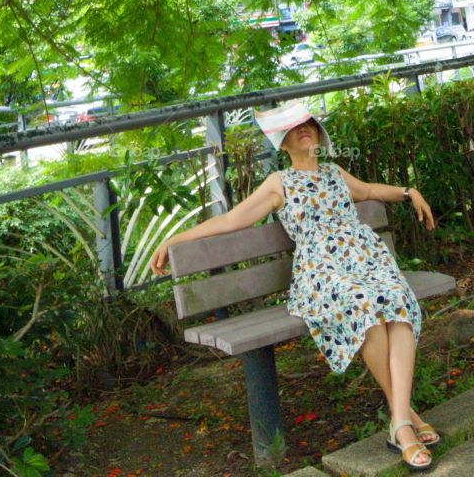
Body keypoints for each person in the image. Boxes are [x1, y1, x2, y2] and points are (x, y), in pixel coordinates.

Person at [151, 100, 440, 470]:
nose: (303, 129)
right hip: (322, 273)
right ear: (282, 144)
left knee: (397, 303)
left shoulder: (335, 172)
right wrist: (173, 240)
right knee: (364, 309)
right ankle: (405, 420)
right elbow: (230, 222)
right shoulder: (279, 184)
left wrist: (407, 191)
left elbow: (367, 191)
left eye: (309, 123)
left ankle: (400, 420)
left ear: (319, 134)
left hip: (368, 261)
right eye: (293, 128)